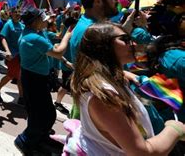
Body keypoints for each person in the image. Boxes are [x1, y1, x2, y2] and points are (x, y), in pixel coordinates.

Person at [70, 22, 185, 155]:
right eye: (125, 39)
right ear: (102, 46)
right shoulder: (105, 95)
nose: (134, 44)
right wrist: (174, 129)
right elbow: (142, 153)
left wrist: (125, 74)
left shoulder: (104, 79)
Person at [14, 7, 72, 154]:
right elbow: (57, 52)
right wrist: (67, 36)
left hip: (35, 77)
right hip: (34, 79)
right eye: (43, 18)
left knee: (41, 113)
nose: (46, 20)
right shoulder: (34, 38)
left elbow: (51, 49)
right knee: (43, 114)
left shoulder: (35, 33)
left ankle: (40, 138)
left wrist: (64, 61)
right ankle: (25, 141)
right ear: (35, 22)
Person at [0, 7, 25, 105]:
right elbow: (3, 38)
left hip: (21, 55)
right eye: (15, 12)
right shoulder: (8, 24)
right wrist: (7, 50)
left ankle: (20, 96)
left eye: (19, 12)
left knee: (16, 76)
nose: (18, 14)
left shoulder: (22, 25)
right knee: (14, 75)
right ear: (11, 13)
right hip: (12, 55)